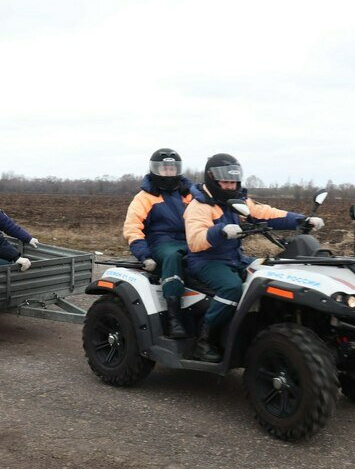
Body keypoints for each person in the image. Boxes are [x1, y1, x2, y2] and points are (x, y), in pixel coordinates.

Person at [184, 153, 321, 362]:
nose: (230, 186)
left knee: (271, 273)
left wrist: (302, 220)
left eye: (233, 182)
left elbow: (266, 213)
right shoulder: (199, 206)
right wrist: (219, 231)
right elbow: (195, 240)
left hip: (235, 258)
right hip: (206, 261)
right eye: (225, 182)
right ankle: (205, 340)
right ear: (212, 179)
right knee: (231, 288)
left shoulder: (238, 201)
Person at [123, 149, 193, 337]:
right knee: (172, 257)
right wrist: (144, 255)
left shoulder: (190, 195)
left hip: (191, 239)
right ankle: (174, 318)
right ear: (155, 171)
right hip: (161, 243)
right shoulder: (144, 198)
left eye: (172, 169)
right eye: (164, 169)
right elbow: (132, 228)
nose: (168, 173)